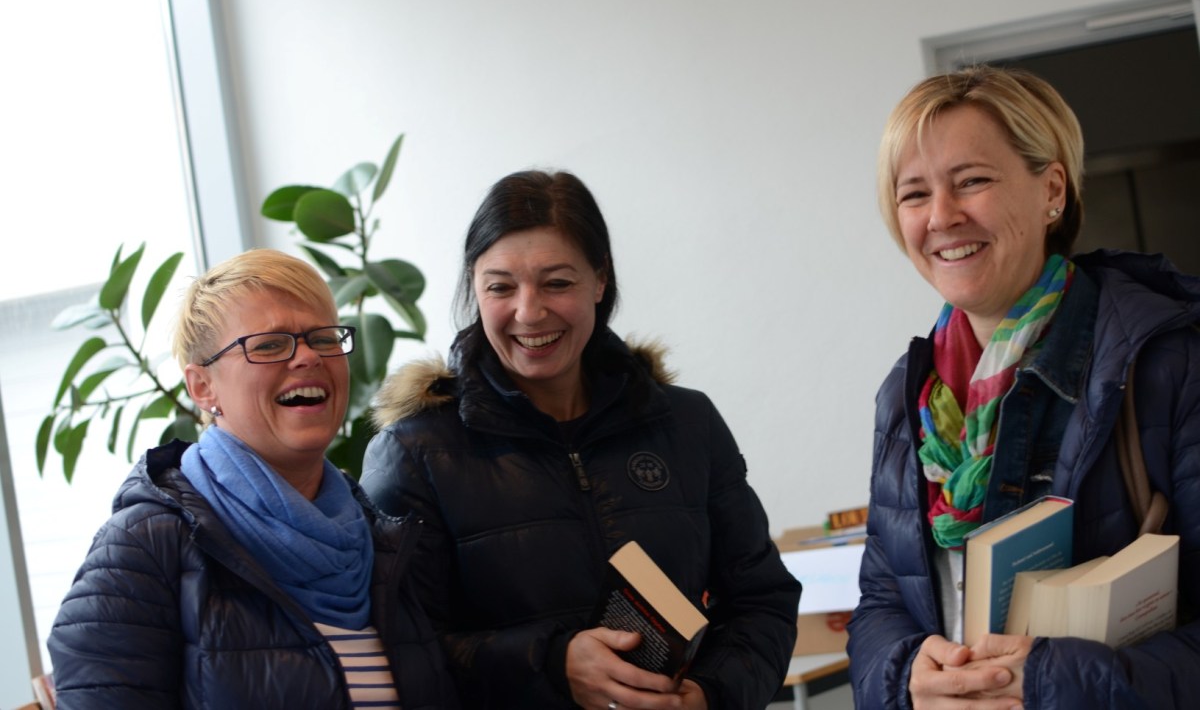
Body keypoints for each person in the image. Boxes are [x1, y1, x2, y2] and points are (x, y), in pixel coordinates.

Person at [360, 170, 801, 709]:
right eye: (500, 287)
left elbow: (763, 600)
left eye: (557, 283)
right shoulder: (414, 454)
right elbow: (400, 651)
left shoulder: (687, 423)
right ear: (474, 289)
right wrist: (550, 664)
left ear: (599, 280)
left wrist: (708, 695)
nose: (529, 312)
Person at [847, 65, 1200, 709]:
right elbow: (882, 600)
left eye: (972, 181)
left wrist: (1048, 684)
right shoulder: (908, 396)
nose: (942, 216)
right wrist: (905, 679)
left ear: (1052, 190)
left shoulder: (1167, 363)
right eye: (914, 194)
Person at [47, 249, 459, 709]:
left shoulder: (377, 536)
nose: (308, 357)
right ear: (202, 387)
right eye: (268, 345)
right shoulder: (142, 550)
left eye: (323, 338)